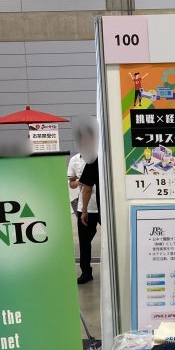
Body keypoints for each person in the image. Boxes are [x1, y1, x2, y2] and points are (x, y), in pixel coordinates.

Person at [75, 120, 100, 285]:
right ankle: (86, 272)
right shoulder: (75, 159)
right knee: (84, 243)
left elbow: (87, 188)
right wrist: (83, 209)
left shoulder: (97, 156)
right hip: (87, 208)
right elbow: (81, 186)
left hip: (102, 207)